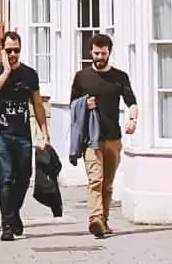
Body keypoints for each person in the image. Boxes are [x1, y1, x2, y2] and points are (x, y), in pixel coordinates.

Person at [70, 33, 139, 238]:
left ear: (109, 53)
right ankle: (95, 218)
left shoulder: (120, 77)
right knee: (96, 180)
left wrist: (133, 120)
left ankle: (104, 220)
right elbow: (73, 105)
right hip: (91, 138)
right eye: (96, 53)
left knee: (108, 184)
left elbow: (131, 101)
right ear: (90, 52)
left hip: (113, 137)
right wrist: (84, 104)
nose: (99, 57)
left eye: (103, 53)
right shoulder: (81, 77)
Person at [0, 30, 49, 242]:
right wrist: (5, 73)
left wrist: (44, 132)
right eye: (9, 50)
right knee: (6, 178)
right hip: (0, 133)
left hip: (22, 134)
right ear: (1, 50)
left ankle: (13, 212)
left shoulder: (29, 74)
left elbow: (37, 104)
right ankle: (7, 225)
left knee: (23, 178)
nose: (13, 55)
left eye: (16, 51)